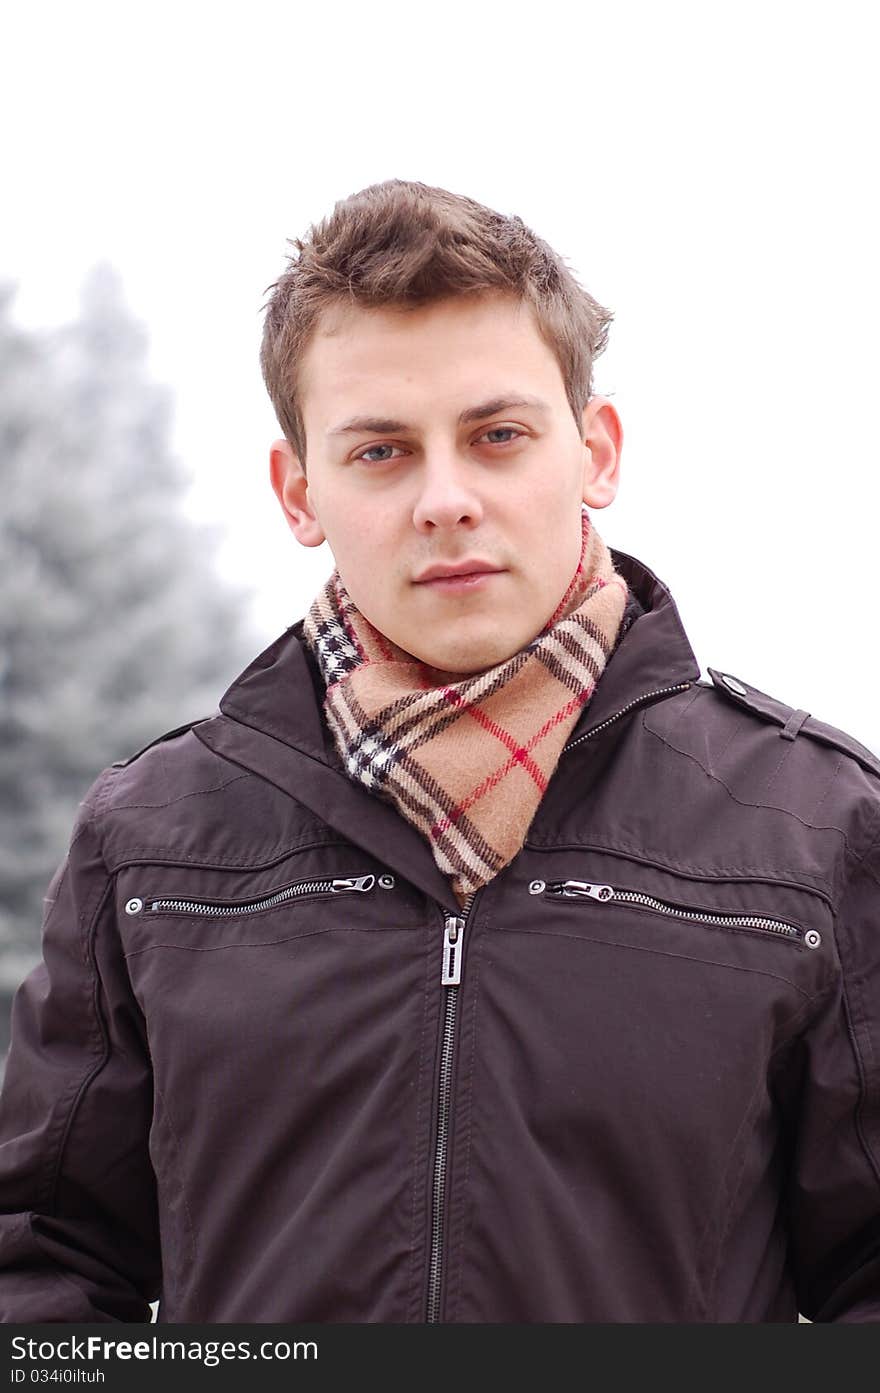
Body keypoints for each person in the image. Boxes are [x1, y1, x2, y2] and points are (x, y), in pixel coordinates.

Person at [1, 180, 878, 1326]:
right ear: (299, 490)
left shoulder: (811, 828)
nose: (446, 499)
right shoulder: (154, 840)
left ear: (595, 452)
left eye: (497, 435)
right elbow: (40, 1258)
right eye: (380, 451)